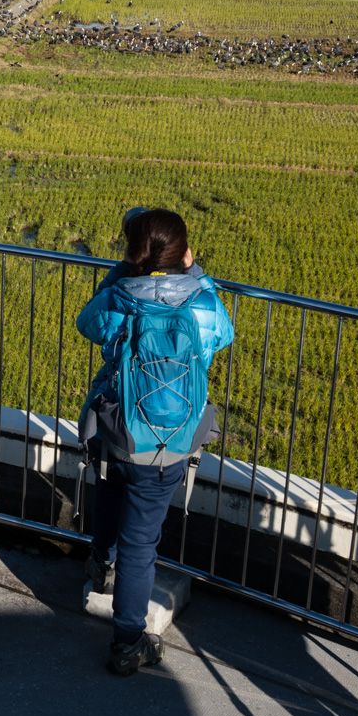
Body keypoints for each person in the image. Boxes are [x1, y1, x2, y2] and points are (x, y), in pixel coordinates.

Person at [74, 207, 234, 677]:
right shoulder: (202, 303)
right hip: (169, 443)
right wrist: (196, 273)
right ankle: (127, 642)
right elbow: (223, 333)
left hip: (120, 430)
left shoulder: (121, 297)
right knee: (141, 543)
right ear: (184, 252)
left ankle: (100, 564)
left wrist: (123, 273)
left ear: (133, 254)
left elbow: (87, 323)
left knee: (110, 489)